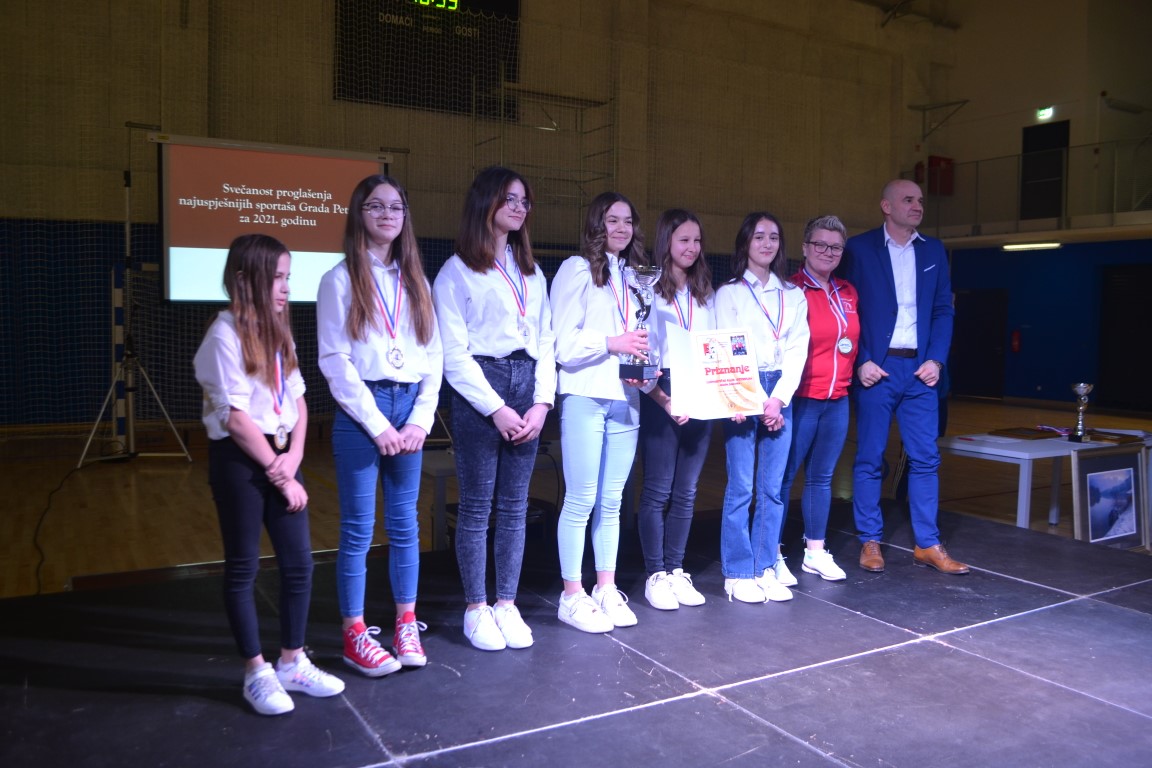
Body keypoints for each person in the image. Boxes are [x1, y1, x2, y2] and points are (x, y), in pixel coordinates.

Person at [194, 234, 344, 716]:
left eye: (287, 277)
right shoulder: (223, 335)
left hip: (282, 456)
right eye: (277, 278)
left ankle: (292, 662)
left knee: (299, 565)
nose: (285, 288)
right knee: (244, 567)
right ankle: (255, 672)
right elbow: (237, 420)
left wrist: (295, 455)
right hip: (241, 460)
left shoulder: (278, 329)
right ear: (244, 279)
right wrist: (282, 476)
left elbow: (298, 399)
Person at [317, 174, 443, 676]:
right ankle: (354, 633)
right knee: (357, 528)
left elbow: (433, 356)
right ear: (359, 214)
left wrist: (420, 420)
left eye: (395, 207)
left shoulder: (416, 280)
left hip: (408, 410)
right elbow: (334, 360)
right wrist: (376, 424)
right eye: (375, 206)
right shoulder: (339, 279)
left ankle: (405, 624)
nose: (387, 214)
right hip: (361, 412)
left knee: (406, 524)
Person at [433, 167, 556, 651]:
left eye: (524, 200)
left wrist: (542, 403)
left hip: (528, 384)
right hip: (481, 392)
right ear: (485, 202)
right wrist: (496, 408)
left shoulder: (531, 271)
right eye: (510, 199)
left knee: (515, 507)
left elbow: (546, 340)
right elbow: (454, 354)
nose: (519, 207)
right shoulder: (456, 270)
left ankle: (506, 603)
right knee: (477, 508)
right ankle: (476, 608)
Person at [844, 179, 966, 574]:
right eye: (908, 200)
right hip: (876, 370)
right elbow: (847, 307)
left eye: (920, 201)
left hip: (920, 371)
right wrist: (861, 360)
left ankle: (928, 544)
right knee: (870, 457)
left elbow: (943, 310)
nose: (917, 206)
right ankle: (869, 540)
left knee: (926, 458)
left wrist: (937, 360)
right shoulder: (859, 248)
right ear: (886, 206)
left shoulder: (933, 249)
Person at [550, 191, 652, 633]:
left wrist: (648, 370)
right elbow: (563, 344)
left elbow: (642, 336)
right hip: (585, 395)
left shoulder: (636, 277)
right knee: (581, 499)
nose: (621, 228)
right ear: (596, 223)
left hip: (627, 398)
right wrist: (612, 343)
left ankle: (605, 588)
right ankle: (571, 594)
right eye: (612, 220)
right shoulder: (576, 269)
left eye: (628, 221)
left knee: (613, 501)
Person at [714, 212, 810, 604]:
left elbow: (798, 348)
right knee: (741, 486)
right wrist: (742, 397)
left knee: (772, 489)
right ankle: (737, 572)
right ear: (745, 243)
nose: (767, 243)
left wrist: (779, 399)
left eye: (773, 237)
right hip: (743, 386)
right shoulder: (730, 293)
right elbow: (726, 346)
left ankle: (764, 566)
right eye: (758, 236)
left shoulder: (793, 294)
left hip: (779, 392)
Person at [636, 208, 715, 610]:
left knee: (687, 491)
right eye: (684, 240)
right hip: (661, 391)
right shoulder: (647, 290)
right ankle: (655, 575)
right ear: (666, 241)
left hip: (700, 388)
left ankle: (676, 569)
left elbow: (716, 349)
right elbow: (639, 356)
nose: (692, 247)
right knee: (658, 489)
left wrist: (726, 397)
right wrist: (665, 400)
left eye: (697, 240)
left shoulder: (704, 292)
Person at [776, 215, 860, 584]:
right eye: (820, 245)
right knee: (783, 479)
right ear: (805, 248)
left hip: (837, 399)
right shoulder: (791, 290)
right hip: (801, 399)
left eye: (836, 247)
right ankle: (773, 553)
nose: (828, 252)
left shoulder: (848, 291)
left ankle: (814, 551)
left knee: (822, 478)